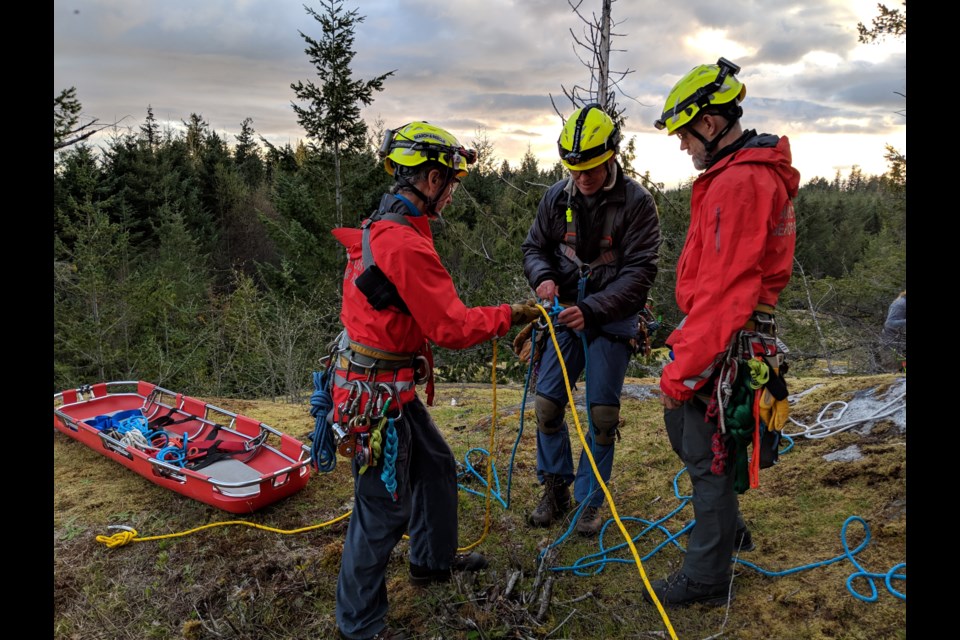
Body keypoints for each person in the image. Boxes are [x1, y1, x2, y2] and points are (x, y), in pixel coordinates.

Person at [329, 121, 541, 640]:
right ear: (429, 178)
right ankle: (359, 626)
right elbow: (450, 327)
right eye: (450, 181)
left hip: (379, 385)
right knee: (382, 508)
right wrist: (510, 313)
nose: (451, 193)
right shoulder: (405, 245)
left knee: (439, 468)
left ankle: (430, 563)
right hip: (378, 397)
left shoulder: (378, 229)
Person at [647, 57, 799, 607]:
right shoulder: (740, 176)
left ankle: (708, 576)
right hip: (729, 331)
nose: (684, 147)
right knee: (698, 442)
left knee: (705, 450)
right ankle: (726, 534)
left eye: (686, 136)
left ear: (709, 125)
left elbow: (726, 289)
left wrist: (683, 367)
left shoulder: (739, 183)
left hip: (727, 336)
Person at [520, 104, 661, 536]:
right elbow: (534, 249)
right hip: (564, 313)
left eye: (593, 168)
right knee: (547, 406)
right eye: (575, 169)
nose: (583, 178)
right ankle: (556, 487)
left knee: (602, 415)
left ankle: (589, 500)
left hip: (612, 318)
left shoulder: (638, 205)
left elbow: (640, 275)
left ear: (612, 156)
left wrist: (595, 309)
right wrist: (543, 278)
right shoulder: (556, 197)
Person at [881, 290, 906, 371]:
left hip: (901, 340)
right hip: (892, 341)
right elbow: (889, 323)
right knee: (894, 373)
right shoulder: (900, 304)